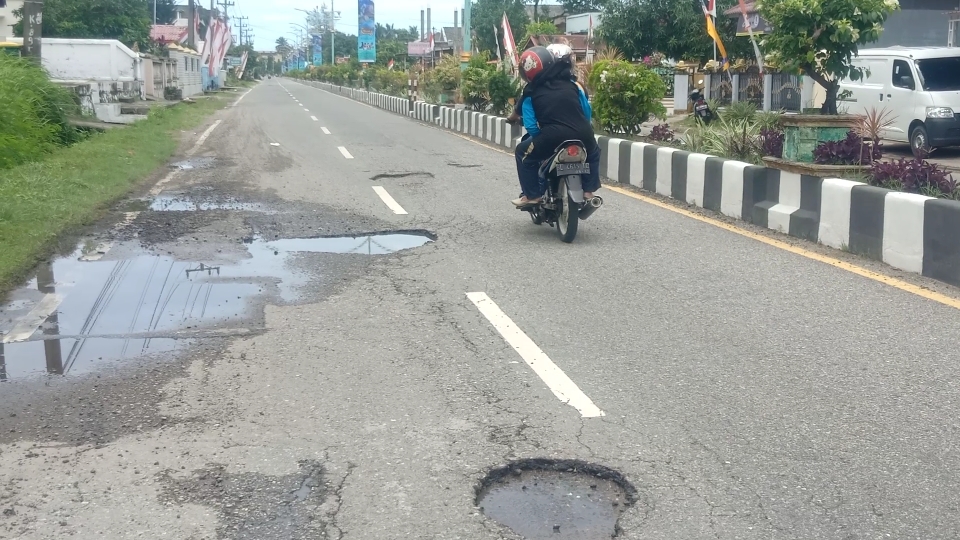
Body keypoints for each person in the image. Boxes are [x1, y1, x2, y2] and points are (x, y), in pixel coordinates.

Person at [506, 44, 601, 208]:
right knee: (593, 152)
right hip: (583, 133)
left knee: (522, 153)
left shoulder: (530, 92)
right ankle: (588, 191)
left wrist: (541, 138)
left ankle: (532, 195)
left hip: (552, 136)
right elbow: (586, 113)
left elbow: (531, 126)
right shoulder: (574, 85)